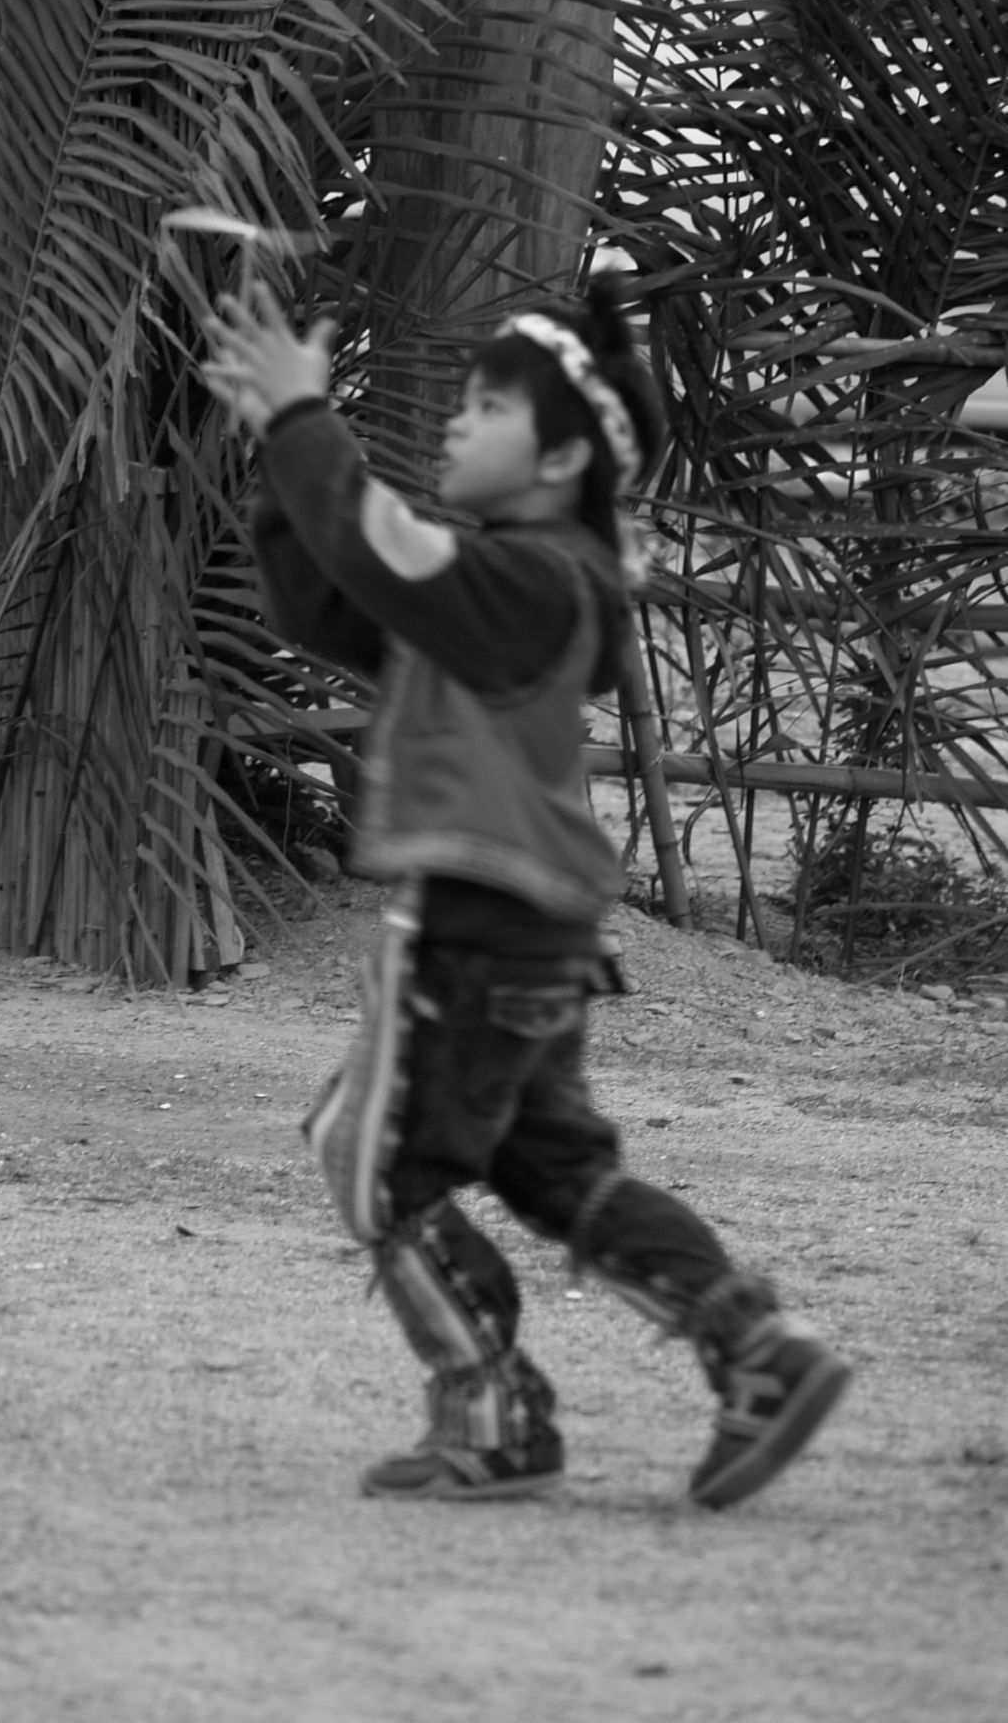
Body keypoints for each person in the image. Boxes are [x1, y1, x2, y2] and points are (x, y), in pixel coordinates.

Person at [201, 274, 851, 1505]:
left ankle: (494, 1412)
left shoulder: (535, 583)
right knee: (554, 1171)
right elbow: (341, 596)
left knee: (374, 1158)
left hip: (480, 927)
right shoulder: (509, 587)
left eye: (483, 405)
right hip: (531, 928)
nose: (454, 423)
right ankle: (757, 1349)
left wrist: (304, 420)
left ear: (558, 453)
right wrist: (278, 462)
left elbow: (387, 549)